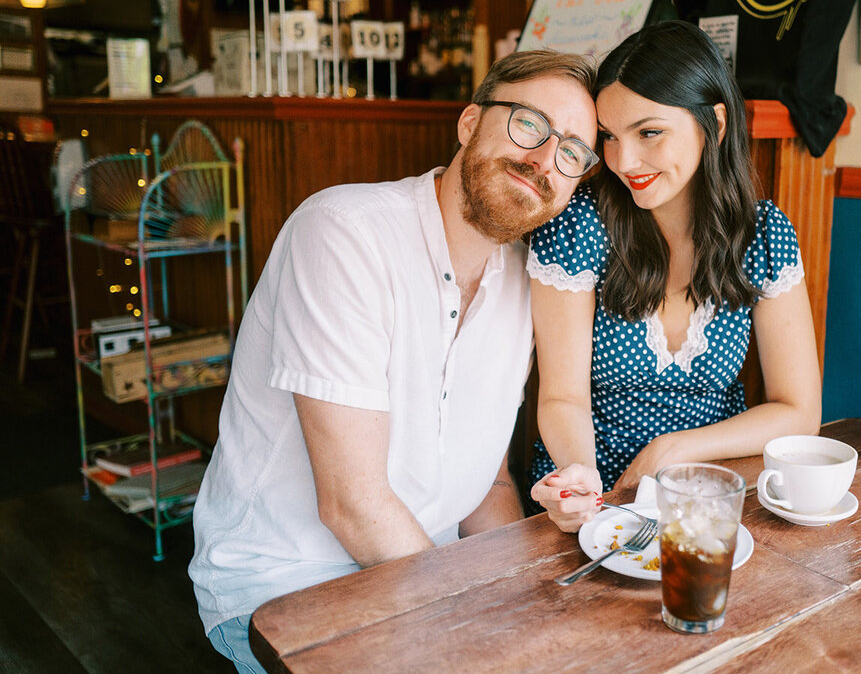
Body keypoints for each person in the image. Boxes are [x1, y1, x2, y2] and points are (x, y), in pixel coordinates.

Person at [188, 50, 599, 673]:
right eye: (529, 124)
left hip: (424, 574)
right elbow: (353, 505)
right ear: (469, 123)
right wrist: (477, 628)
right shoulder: (343, 232)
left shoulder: (524, 280)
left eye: (571, 152)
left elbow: (486, 484)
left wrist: (517, 596)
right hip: (288, 590)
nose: (544, 159)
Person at [525, 21, 822, 532]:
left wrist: (674, 449)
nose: (624, 160)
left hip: (709, 497)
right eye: (610, 138)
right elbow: (561, 397)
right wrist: (587, 483)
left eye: (650, 132)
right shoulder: (579, 227)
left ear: (716, 124)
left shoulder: (764, 234)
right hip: (588, 495)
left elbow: (798, 412)